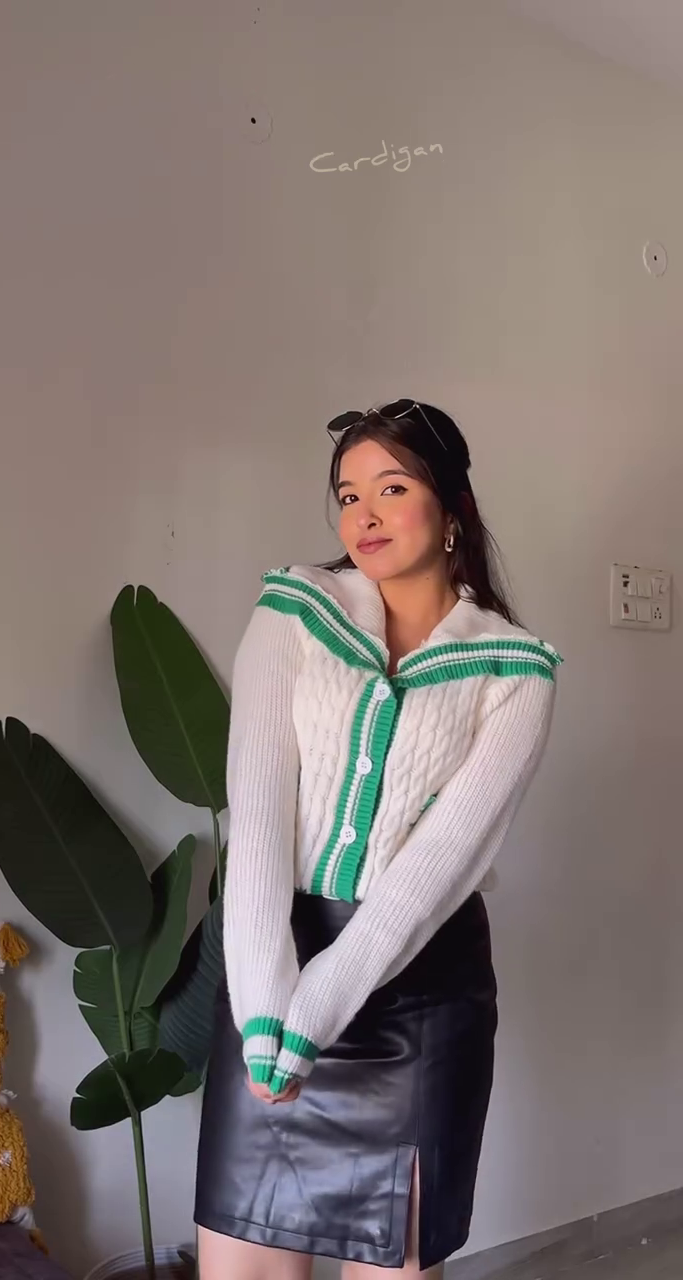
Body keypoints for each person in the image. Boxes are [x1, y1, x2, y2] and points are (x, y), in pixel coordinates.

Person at [195, 399, 561, 1278]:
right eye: (348, 495)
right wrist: (268, 1016)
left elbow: (438, 866)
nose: (363, 514)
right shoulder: (292, 611)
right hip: (272, 971)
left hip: (419, 996)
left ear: (452, 508)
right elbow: (257, 817)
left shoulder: (516, 669)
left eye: (391, 489)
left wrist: (316, 1014)